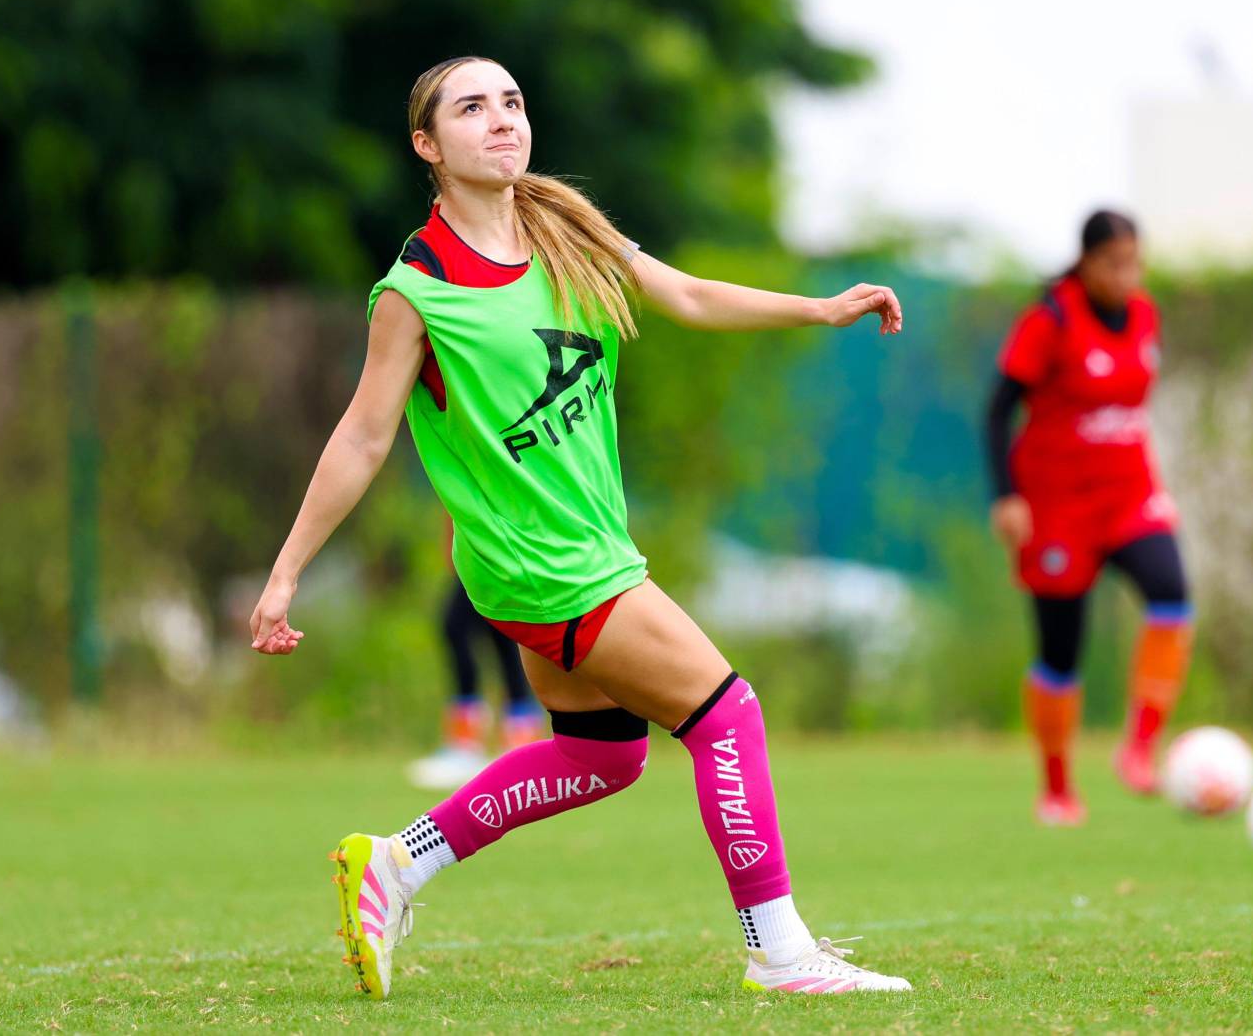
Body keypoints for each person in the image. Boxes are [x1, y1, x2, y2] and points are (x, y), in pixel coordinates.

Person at [249, 56, 911, 1000]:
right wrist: (285, 574)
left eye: (513, 102)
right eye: (471, 109)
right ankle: (780, 949)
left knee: (602, 756)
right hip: (544, 565)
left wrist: (819, 306)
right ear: (428, 146)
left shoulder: (562, 229)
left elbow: (682, 294)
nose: (501, 121)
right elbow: (361, 436)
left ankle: (399, 861)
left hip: (581, 552)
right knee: (728, 714)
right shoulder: (417, 287)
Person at [984, 210, 1192, 826]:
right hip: (1056, 508)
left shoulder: (1145, 314)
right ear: (1088, 262)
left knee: (1172, 594)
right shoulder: (1050, 321)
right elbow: (996, 411)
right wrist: (1006, 495)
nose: (1128, 275)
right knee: (1060, 653)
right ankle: (1056, 788)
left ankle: (1139, 748)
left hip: (1130, 497)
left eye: (1136, 261)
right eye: (1116, 263)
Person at [408, 525, 544, 790]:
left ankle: (492, 747)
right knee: (498, 636)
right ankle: (502, 746)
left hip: (502, 551)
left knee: (467, 629)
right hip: (482, 553)